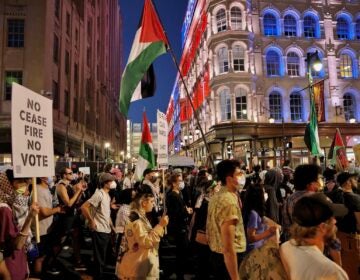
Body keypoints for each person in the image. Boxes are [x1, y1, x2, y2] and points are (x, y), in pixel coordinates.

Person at [280, 194, 348, 280]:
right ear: (322, 227)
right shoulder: (332, 273)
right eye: (332, 218)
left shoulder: (286, 246)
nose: (335, 221)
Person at [206, 159, 247, 280]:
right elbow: (229, 247)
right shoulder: (228, 202)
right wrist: (235, 277)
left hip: (216, 255)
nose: (242, 176)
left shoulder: (216, 196)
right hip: (229, 260)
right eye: (239, 174)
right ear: (229, 179)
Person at [116, 192, 169, 279]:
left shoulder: (140, 217)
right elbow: (146, 242)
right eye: (152, 201)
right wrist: (160, 225)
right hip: (137, 268)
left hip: (140, 265)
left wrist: (161, 225)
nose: (153, 204)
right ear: (144, 203)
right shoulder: (136, 219)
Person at [0, 171, 40, 280]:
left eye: (25, 182)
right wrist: (30, 217)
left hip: (18, 262)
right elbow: (17, 244)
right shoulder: (4, 209)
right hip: (11, 267)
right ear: (7, 184)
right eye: (20, 182)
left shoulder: (11, 204)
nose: (25, 186)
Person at [81, 173, 116, 280]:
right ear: (105, 183)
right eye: (111, 181)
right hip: (99, 230)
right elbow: (84, 207)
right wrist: (91, 221)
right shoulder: (99, 194)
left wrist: (112, 228)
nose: (113, 183)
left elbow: (106, 214)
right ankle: (98, 276)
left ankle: (100, 274)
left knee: (104, 257)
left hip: (106, 230)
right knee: (99, 258)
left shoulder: (107, 195)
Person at [166, 173, 193, 279]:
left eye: (182, 180)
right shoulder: (172, 195)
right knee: (181, 252)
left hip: (181, 226)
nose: (182, 183)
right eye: (179, 181)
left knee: (181, 252)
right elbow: (176, 213)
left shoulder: (178, 193)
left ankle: (180, 273)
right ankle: (179, 274)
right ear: (173, 183)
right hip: (178, 227)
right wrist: (187, 211)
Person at [243, 184, 277, 252]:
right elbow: (251, 237)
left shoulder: (254, 212)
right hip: (254, 250)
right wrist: (269, 231)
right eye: (263, 192)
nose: (265, 194)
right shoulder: (253, 214)